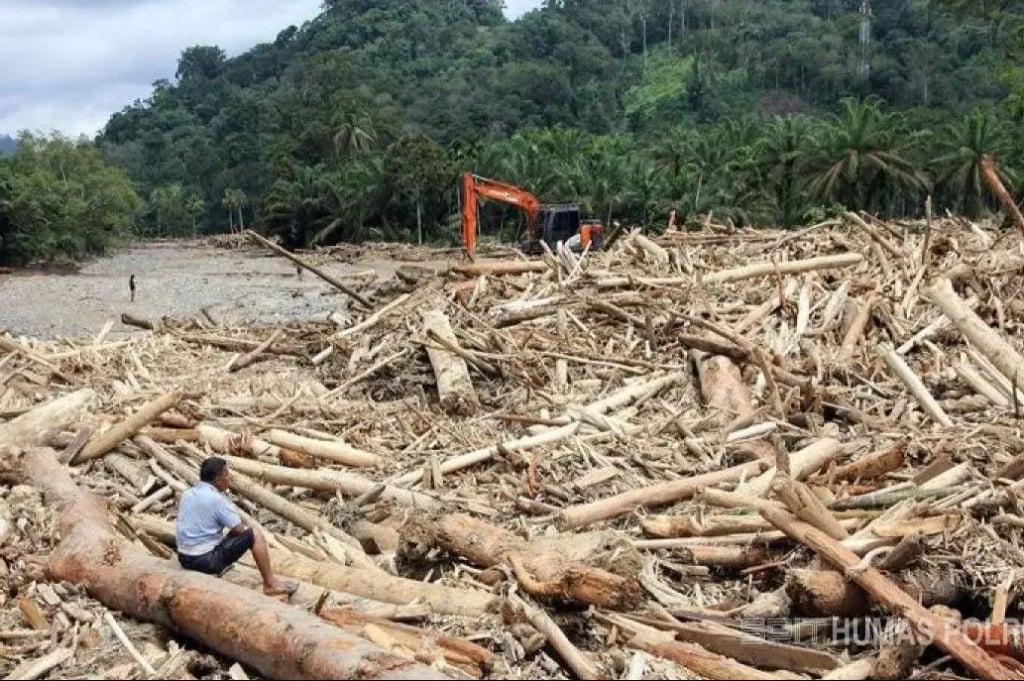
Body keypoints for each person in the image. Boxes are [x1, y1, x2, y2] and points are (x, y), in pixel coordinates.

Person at [175, 456, 297, 597]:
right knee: (254, 534)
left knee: (230, 534)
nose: (229, 479)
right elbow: (238, 528)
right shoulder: (217, 500)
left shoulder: (188, 493)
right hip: (205, 561)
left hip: (184, 557)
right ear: (217, 480)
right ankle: (270, 584)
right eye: (227, 475)